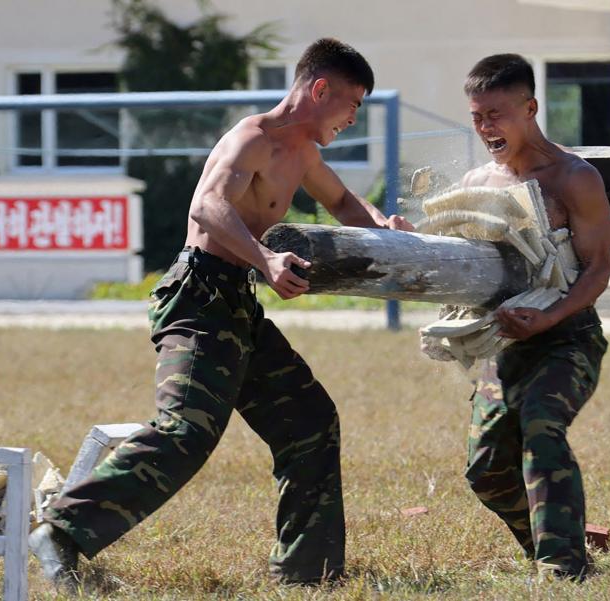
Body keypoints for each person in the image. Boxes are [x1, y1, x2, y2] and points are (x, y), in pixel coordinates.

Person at [29, 37, 411, 590]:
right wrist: (267, 259)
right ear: (319, 88)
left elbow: (346, 204)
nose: (354, 117)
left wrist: (387, 228)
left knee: (309, 422)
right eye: (352, 103)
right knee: (186, 430)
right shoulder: (253, 137)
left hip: (237, 304)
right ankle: (60, 531)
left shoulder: (303, 151)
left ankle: (309, 572)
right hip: (198, 296)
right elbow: (207, 205)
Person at [459, 53, 610, 580]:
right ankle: (557, 539)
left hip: (567, 338)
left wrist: (550, 319)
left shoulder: (574, 177)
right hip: (502, 344)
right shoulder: (480, 180)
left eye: (496, 114)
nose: (485, 127)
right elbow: (465, 261)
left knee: (542, 428)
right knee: (485, 471)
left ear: (531, 108)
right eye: (477, 116)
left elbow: (597, 271)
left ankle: (563, 566)